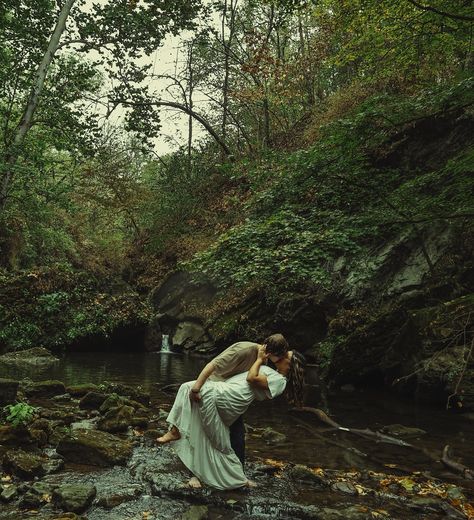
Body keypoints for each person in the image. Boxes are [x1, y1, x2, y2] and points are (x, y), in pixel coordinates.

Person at [157, 343, 305, 490]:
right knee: (209, 431)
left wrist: (260, 360)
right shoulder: (247, 351)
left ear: (291, 366)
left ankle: (236, 477)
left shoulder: (280, 381)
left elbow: (251, 378)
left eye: (287, 356)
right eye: (284, 353)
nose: (283, 356)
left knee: (224, 441)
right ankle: (193, 460)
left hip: (229, 400)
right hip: (224, 391)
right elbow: (222, 368)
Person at [187, 334, 290, 466]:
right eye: (280, 357)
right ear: (271, 353)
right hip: (213, 390)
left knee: (237, 437)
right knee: (205, 432)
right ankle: (194, 472)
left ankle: (237, 474)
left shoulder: (264, 360)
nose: (281, 360)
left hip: (229, 396)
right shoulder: (243, 349)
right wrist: (196, 389)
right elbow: (212, 365)